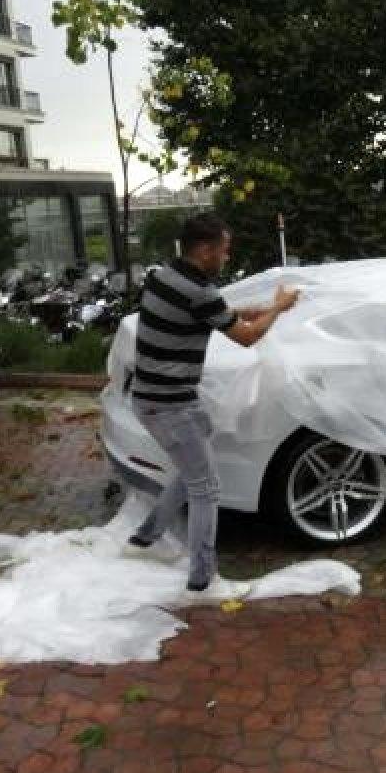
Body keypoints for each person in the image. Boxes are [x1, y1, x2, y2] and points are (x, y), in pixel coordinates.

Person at [124, 212, 299, 600]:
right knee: (206, 489)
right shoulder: (199, 292)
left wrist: (262, 310)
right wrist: (277, 309)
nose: (226, 257)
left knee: (192, 475)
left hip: (151, 398)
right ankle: (203, 580)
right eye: (223, 250)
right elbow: (248, 338)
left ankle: (144, 539)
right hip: (170, 406)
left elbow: (219, 315)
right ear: (204, 250)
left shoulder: (164, 276)